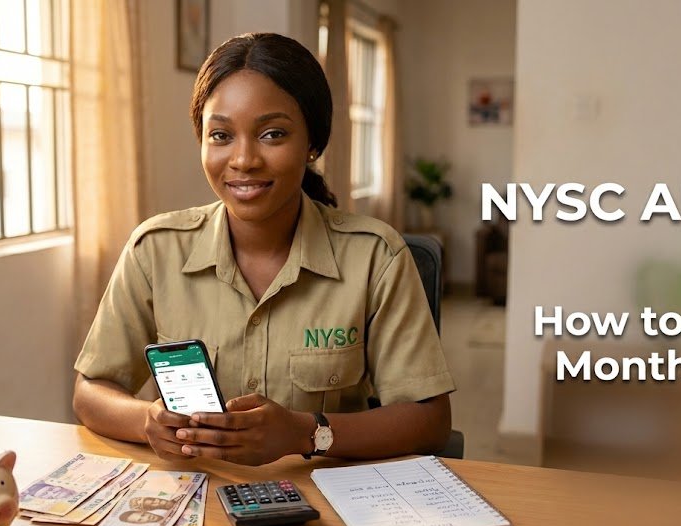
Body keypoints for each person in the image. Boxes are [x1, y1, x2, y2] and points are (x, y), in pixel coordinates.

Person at [72, 33, 455, 466]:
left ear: (313, 143)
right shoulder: (154, 250)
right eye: (221, 135)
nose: (243, 159)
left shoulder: (375, 257)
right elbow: (91, 391)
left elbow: (430, 420)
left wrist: (305, 433)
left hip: (327, 505)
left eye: (272, 134)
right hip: (198, 497)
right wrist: (147, 420)